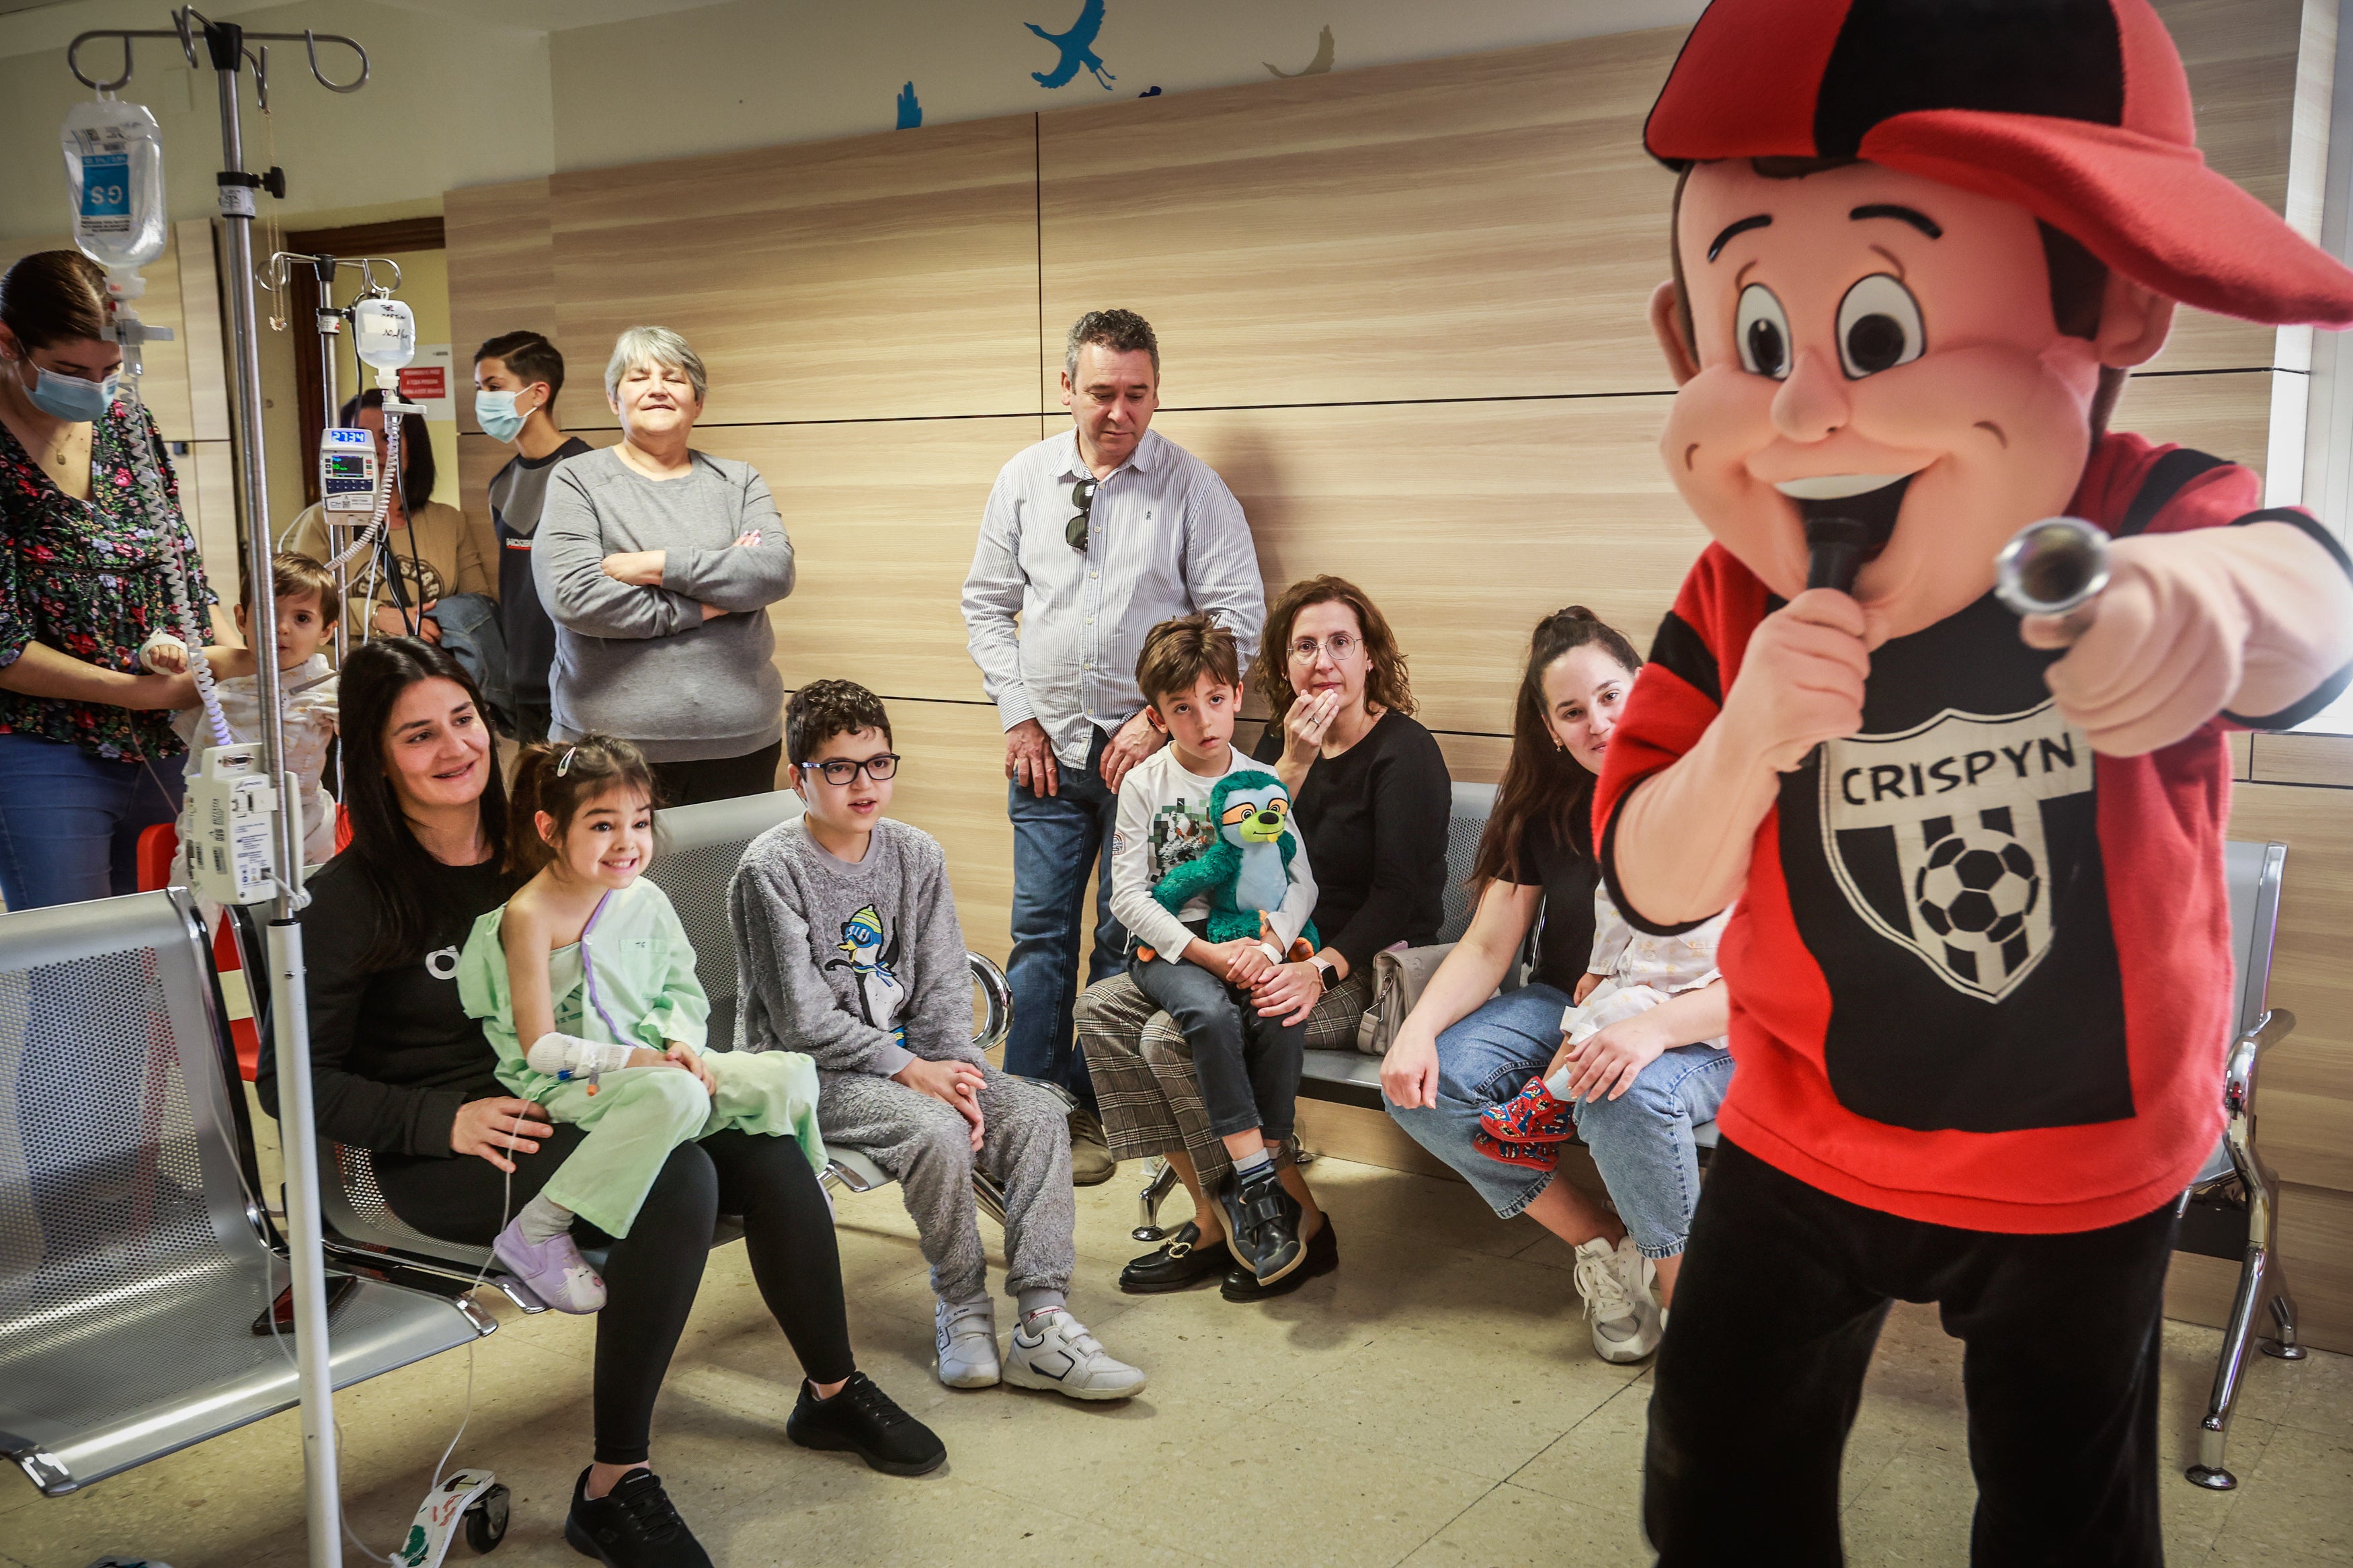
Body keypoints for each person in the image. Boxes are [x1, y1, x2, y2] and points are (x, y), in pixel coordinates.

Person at [1613, 4, 2353, 1562]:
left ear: (2111, 302)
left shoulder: (2135, 502)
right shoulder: (1735, 587)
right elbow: (1652, 878)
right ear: (1691, 342)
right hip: (1802, 1135)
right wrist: (1743, 741)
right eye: (1760, 343)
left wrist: (2200, 606)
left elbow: (2310, 599)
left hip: (2083, 1159)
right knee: (1713, 1495)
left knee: (2066, 1525)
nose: (1810, 411)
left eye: (1880, 331)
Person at [259, 638, 943, 1568]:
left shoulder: (538, 845)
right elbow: (291, 1082)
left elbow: (637, 972)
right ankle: (614, 1482)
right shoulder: (345, 900)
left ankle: (829, 1391)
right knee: (680, 1180)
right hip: (440, 1150)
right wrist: (438, 1120)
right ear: (377, 760)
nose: (453, 746)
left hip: (587, 1094)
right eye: (418, 735)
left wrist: (674, 1049)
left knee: (767, 1141)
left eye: (462, 719)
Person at [731, 680, 1147, 1400]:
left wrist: (953, 1065)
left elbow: (945, 984)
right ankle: (961, 1301)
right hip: (806, 1075)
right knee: (934, 1129)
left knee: (1042, 1111)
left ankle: (1043, 1321)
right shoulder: (771, 868)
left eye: (877, 762)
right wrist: (912, 1072)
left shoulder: (914, 852)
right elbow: (799, 1020)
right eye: (838, 767)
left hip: (913, 1061)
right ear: (798, 775)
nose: (863, 783)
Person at [959, 307, 1266, 1182]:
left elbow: (1237, 618)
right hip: (1046, 746)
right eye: (1101, 393)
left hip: (1153, 760)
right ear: (1068, 388)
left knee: (1121, 935)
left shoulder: (1194, 490)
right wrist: (1016, 713)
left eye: (1137, 394)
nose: (1119, 412)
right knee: (1041, 931)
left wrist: (1154, 716)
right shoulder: (1023, 479)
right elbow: (985, 606)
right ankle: (1031, 1111)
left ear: (1157, 391)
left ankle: (1097, 1109)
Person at [1383, 608, 1731, 1364]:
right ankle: (1602, 1240)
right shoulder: (1545, 801)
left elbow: (1784, 975)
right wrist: (1413, 1032)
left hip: (1713, 1019)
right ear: (1547, 725)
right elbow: (1486, 942)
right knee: (1423, 1083)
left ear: (1644, 684)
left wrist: (1650, 1029)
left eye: (1611, 695)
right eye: (1572, 710)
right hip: (1576, 1002)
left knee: (1622, 1083)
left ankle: (1683, 1289)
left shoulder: (1716, 781)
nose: (1598, 722)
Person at [1103, 575, 1449, 1299]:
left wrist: (1313, 966)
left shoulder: (1404, 752)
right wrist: (1292, 758)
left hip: (1361, 963)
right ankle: (1212, 1218)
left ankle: (1296, 1221)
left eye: (1340, 642)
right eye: (1304, 646)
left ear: (1370, 658)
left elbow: (1402, 898)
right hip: (1264, 943)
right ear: (1280, 667)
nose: (1322, 660)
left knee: (1171, 1038)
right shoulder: (1272, 741)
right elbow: (1249, 847)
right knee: (1101, 1014)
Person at [454, 736, 830, 1317]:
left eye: (640, 822)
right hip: (568, 1083)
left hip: (654, 1069)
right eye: (602, 825)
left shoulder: (647, 897)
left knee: (790, 1077)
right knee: (674, 1091)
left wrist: (680, 1043)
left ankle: (800, 1191)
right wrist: (639, 1063)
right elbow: (541, 1049)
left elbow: (681, 988)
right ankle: (540, 1226)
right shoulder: (529, 916)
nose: (627, 843)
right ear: (551, 829)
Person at [0, 249, 225, 911]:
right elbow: (3, 645)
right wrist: (137, 693)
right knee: (83, 967)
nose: (94, 389)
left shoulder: (125, 424)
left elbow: (181, 569)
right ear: (9, 341)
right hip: (42, 747)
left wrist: (237, 651)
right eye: (70, 370)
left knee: (169, 950)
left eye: (109, 370)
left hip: (156, 742)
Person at [1106, 614, 1319, 1284]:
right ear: (1157, 714)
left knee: (1276, 1009)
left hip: (1250, 939)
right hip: (1172, 952)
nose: (1203, 720)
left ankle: (1271, 1163)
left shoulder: (1261, 778)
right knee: (1208, 1016)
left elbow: (1299, 879)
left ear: (1237, 691)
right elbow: (1128, 899)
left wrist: (1273, 943)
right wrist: (1206, 955)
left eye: (1216, 699)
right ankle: (1256, 1184)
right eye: (1181, 707)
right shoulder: (1145, 784)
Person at [536, 326, 797, 807]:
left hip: (740, 744)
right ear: (615, 400)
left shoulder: (738, 481)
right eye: (639, 377)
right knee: (616, 885)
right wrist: (709, 603)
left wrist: (657, 563)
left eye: (674, 378)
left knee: (724, 885)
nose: (657, 387)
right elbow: (575, 596)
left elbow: (772, 571)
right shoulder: (577, 479)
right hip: (607, 751)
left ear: (697, 402)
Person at [145, 551, 342, 866]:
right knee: (197, 879)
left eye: (302, 618)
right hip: (216, 806)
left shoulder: (326, 686)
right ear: (241, 619)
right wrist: (161, 650)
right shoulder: (228, 662)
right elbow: (174, 652)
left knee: (312, 892)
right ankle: (198, 915)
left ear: (326, 631)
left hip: (298, 814)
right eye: (267, 613)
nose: (282, 628)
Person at [280, 387, 493, 648]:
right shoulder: (324, 520)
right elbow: (294, 606)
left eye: (387, 437)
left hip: (428, 670)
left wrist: (433, 621)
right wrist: (377, 616)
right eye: (363, 439)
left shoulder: (449, 521)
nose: (375, 451)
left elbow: (479, 604)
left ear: (412, 446)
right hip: (347, 673)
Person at [475, 329, 594, 743]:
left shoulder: (591, 473)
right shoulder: (501, 484)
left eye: (494, 387)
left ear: (537, 393)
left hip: (585, 681)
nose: (483, 400)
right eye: (480, 388)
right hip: (525, 682)